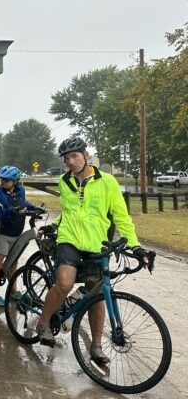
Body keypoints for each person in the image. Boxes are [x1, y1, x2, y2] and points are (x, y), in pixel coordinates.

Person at [35, 137, 149, 364]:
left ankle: (96, 346)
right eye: (67, 158)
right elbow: (69, 212)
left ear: (86, 154)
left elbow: (121, 216)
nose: (70, 161)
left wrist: (135, 244)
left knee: (96, 296)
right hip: (69, 240)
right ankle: (44, 322)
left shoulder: (107, 181)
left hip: (97, 244)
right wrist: (55, 226)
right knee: (65, 283)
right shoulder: (63, 181)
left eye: (74, 156)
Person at [0, 165, 37, 307]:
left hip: (15, 233)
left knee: (13, 263)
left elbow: (22, 203)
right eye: (2, 180)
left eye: (7, 180)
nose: (3, 182)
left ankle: (13, 291)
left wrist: (34, 208)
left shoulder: (19, 191)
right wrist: (14, 210)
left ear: (15, 181)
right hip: (0, 233)